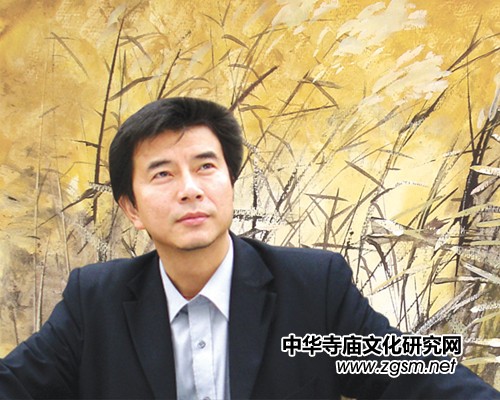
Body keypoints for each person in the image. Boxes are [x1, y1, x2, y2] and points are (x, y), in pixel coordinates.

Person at [0, 97, 498, 400]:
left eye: (206, 167)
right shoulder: (96, 302)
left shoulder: (311, 290)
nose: (190, 189)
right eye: (163, 174)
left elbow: (417, 376)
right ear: (131, 207)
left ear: (231, 183)